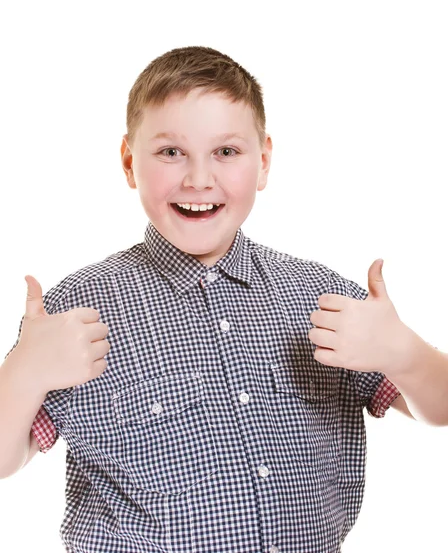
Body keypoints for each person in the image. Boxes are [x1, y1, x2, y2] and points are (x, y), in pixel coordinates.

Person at [0, 46, 446, 553]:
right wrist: (23, 372)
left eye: (226, 152)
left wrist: (403, 351)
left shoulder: (320, 297)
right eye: (171, 152)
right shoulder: (77, 310)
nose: (198, 179)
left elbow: (439, 406)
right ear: (129, 161)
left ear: (264, 161)